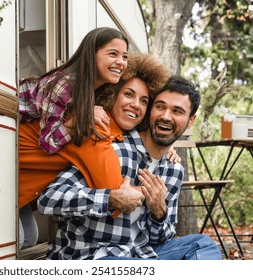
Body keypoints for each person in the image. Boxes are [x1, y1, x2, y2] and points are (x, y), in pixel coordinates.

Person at [37, 75, 223, 260]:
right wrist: (111, 199)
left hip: (138, 255)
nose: (166, 116)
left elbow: (162, 238)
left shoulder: (173, 171)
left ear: (191, 120)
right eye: (160, 107)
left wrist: (159, 213)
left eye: (177, 111)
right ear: (150, 109)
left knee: (204, 246)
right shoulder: (112, 149)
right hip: (91, 255)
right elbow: (48, 199)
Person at [18, 27, 129, 248]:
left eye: (125, 56)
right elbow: (48, 142)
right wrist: (81, 118)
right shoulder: (66, 83)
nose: (121, 62)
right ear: (92, 53)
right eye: (113, 54)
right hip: (7, 131)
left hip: (24, 163)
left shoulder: (91, 88)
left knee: (29, 237)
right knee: (21, 238)